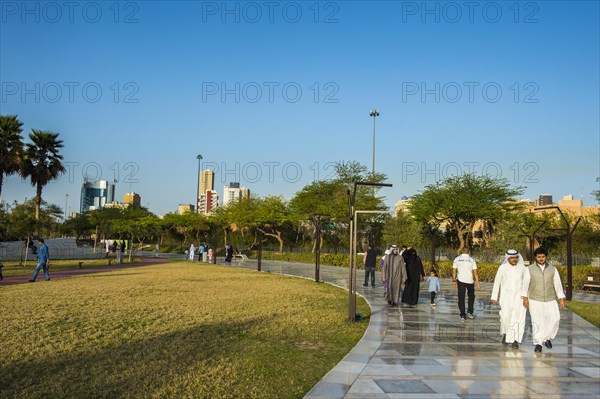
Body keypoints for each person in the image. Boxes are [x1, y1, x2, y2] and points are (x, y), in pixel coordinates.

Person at [521, 247, 565, 353]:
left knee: (555, 319)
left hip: (550, 299)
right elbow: (525, 285)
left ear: (546, 257)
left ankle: (547, 338)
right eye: (539, 257)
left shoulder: (553, 269)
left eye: (543, 257)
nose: (541, 259)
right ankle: (538, 343)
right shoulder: (529, 269)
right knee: (537, 321)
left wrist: (561, 298)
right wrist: (525, 298)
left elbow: (557, 284)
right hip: (535, 299)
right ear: (536, 257)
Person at [491, 249, 527, 349]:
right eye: (512, 258)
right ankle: (506, 334)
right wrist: (494, 296)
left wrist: (525, 297)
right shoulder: (502, 268)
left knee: (519, 318)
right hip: (505, 297)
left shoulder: (522, 268)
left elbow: (526, 283)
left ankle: (516, 340)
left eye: (516, 258)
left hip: (519, 297)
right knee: (505, 317)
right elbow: (497, 282)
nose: (514, 259)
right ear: (508, 258)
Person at [452, 247, 480, 321]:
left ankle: (462, 315)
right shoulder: (472, 260)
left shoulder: (457, 259)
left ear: (462, 251)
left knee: (461, 298)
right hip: (470, 281)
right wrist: (477, 284)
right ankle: (470, 312)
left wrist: (454, 281)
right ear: (469, 252)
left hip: (461, 281)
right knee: (471, 297)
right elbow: (476, 273)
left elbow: (454, 271)